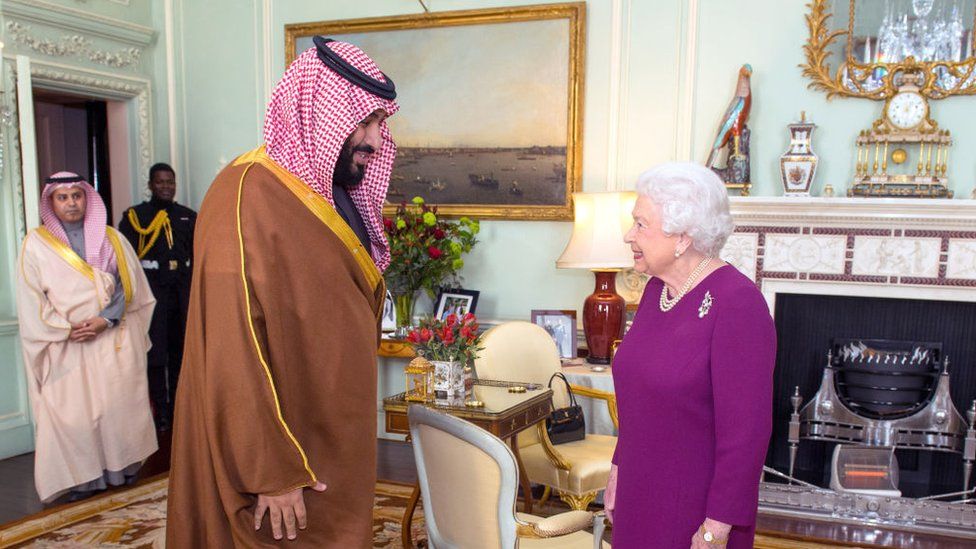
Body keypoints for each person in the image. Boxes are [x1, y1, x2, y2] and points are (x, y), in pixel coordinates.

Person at [166, 37, 398, 547]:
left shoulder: (334, 192)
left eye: (380, 123)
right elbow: (232, 345)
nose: (376, 141)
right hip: (282, 449)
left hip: (330, 427)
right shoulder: (245, 193)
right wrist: (271, 468)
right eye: (365, 121)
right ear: (319, 110)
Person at [605, 163, 776, 548]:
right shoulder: (656, 292)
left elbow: (747, 433)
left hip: (696, 511)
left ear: (682, 237)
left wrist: (718, 526)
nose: (628, 235)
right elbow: (639, 399)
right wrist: (619, 467)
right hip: (640, 493)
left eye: (640, 225)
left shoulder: (738, 304)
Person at [15, 172, 157, 503]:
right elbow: (32, 298)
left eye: (76, 196)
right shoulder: (35, 244)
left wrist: (104, 320)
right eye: (62, 197)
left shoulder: (112, 239)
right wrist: (68, 328)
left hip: (109, 338)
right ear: (50, 203)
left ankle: (119, 471)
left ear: (86, 198)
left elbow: (129, 285)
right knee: (76, 414)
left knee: (115, 407)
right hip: (67, 344)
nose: (71, 203)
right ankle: (83, 479)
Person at [118, 162, 196, 430]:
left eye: (170, 182)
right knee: (156, 355)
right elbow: (125, 260)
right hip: (152, 294)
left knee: (180, 354)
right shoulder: (135, 217)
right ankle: (159, 411)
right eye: (161, 182)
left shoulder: (188, 216)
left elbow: (196, 257)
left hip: (181, 294)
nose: (166, 187)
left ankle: (178, 408)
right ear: (151, 185)